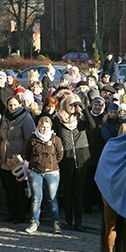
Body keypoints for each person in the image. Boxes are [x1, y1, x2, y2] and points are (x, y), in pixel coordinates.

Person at [52, 93, 95, 231]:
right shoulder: (58, 119)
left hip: (82, 158)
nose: (72, 107)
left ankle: (79, 223)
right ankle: (68, 221)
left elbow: (92, 125)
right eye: (70, 104)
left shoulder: (80, 119)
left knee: (79, 192)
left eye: (74, 104)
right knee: (68, 191)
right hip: (66, 158)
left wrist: (83, 108)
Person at [0, 96, 35, 224]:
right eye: (10, 105)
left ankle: (20, 214)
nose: (12, 107)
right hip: (5, 158)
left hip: (18, 160)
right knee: (9, 188)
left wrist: (25, 158)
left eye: (15, 105)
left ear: (20, 105)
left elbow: (30, 140)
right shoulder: (5, 118)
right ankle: (11, 213)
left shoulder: (25, 118)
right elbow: (0, 138)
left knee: (20, 189)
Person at [24, 116, 64, 234]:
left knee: (52, 198)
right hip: (36, 171)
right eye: (42, 127)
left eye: (47, 127)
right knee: (36, 199)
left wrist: (50, 165)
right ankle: (34, 222)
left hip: (52, 172)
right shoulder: (32, 139)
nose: (44, 129)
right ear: (38, 127)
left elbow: (60, 155)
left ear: (50, 127)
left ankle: (56, 223)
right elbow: (27, 155)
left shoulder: (56, 139)